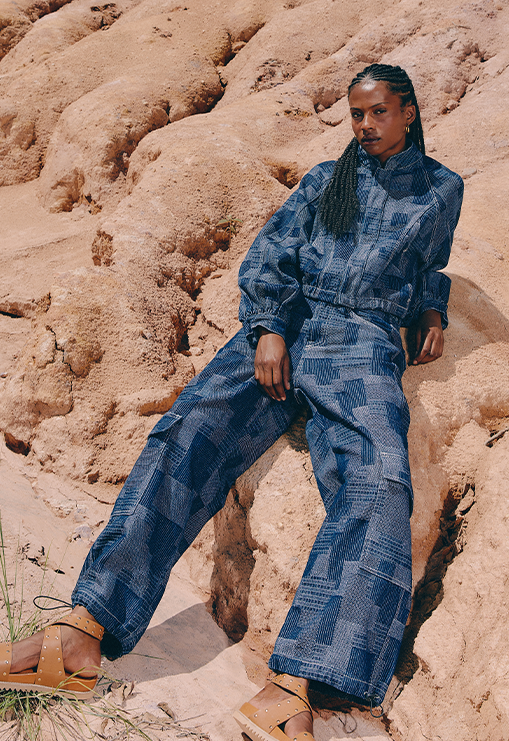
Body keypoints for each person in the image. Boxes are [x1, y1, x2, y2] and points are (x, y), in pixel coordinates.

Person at [0, 64, 463, 741]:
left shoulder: (441, 189)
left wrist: (430, 309)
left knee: (383, 480)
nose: (364, 126)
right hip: (292, 322)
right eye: (355, 115)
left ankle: (290, 688)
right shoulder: (323, 181)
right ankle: (82, 629)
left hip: (363, 346)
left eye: (377, 113)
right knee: (188, 431)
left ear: (409, 112)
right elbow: (271, 255)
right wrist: (270, 326)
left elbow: (431, 264)